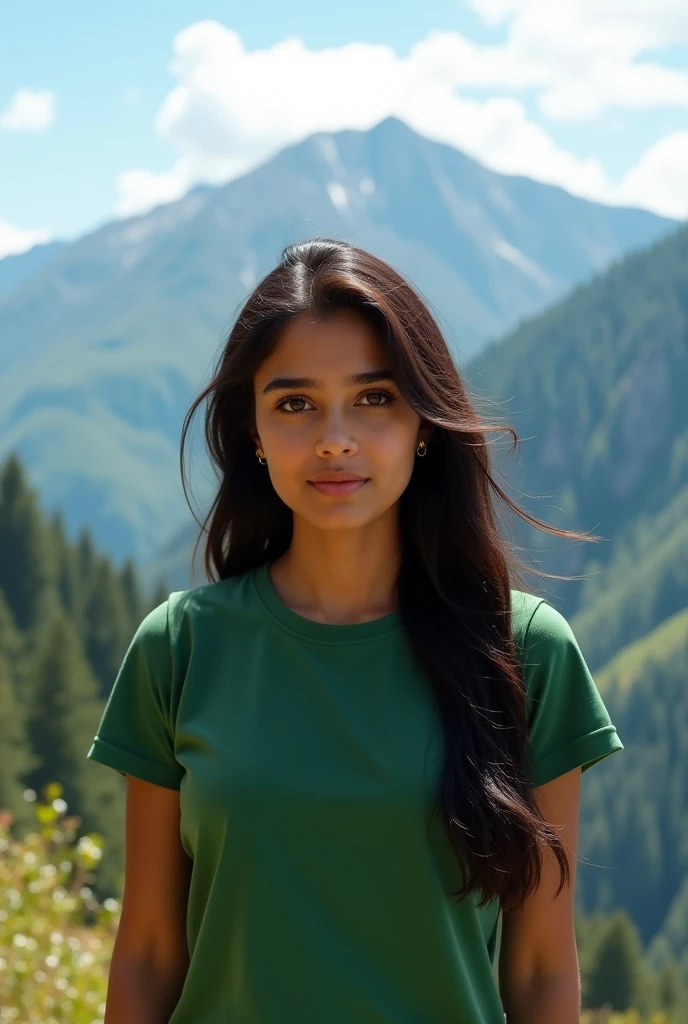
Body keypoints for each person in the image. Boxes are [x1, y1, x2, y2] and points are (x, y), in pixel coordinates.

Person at [87, 237, 624, 1023]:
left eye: (373, 398)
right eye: (295, 404)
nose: (335, 437)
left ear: (424, 424)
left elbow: (542, 969)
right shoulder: (180, 649)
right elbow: (147, 954)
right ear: (254, 437)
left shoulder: (527, 654)